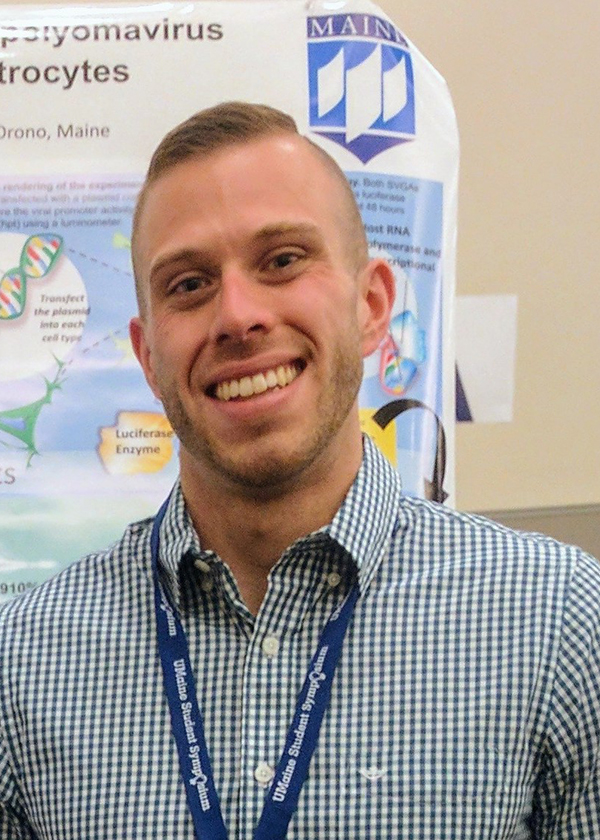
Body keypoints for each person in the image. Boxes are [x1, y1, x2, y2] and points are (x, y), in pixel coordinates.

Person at [0, 102, 599, 840]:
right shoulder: (21, 661)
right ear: (148, 356)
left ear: (372, 303)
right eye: (188, 284)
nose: (238, 315)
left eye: (282, 260)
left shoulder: (557, 622)